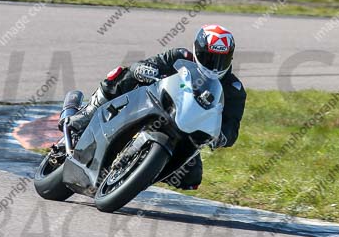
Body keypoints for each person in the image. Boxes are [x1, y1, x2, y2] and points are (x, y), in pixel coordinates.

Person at [68, 24, 246, 190]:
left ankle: (139, 173)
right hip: (153, 104)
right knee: (124, 74)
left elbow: (232, 128)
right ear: (197, 50)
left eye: (221, 60)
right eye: (210, 58)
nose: (214, 66)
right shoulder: (180, 57)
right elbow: (148, 64)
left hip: (187, 132)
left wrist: (222, 136)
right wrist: (144, 69)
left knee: (191, 178)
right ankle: (87, 114)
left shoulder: (234, 89)